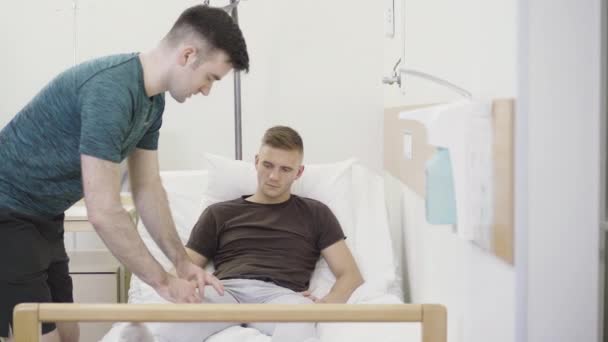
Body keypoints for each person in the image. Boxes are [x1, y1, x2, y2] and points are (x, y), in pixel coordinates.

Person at [0, 5, 249, 342]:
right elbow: (103, 211)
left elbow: (148, 189)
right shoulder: (111, 92)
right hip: (8, 211)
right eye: (210, 78)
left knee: (68, 330)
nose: (206, 90)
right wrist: (163, 283)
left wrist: (182, 263)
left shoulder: (152, 103)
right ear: (188, 55)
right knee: (39, 333)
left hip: (44, 215)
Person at [144, 126, 364, 342]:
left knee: (300, 324)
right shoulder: (219, 213)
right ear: (257, 161)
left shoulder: (316, 213)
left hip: (281, 296)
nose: (273, 176)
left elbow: (350, 275)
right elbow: (183, 267)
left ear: (299, 173)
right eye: (268, 165)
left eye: (285, 169)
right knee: (166, 330)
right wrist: (182, 287)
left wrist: (322, 307)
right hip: (225, 292)